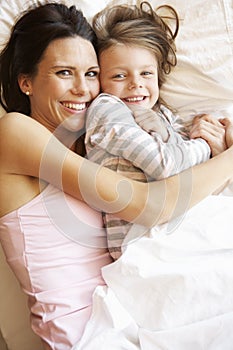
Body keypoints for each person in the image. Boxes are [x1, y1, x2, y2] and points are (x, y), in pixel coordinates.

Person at [0, 2, 233, 350]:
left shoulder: (90, 142)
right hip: (88, 335)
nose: (84, 89)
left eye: (92, 74)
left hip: (133, 310)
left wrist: (209, 138)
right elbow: (149, 206)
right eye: (65, 73)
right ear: (26, 82)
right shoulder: (14, 133)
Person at [85, 1, 232, 259]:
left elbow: (190, 170)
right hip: (141, 242)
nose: (135, 84)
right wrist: (206, 147)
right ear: (100, 80)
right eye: (119, 76)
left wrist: (210, 140)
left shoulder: (164, 115)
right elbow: (166, 165)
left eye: (146, 73)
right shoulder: (106, 110)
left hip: (178, 224)